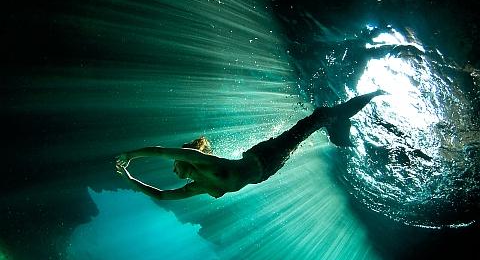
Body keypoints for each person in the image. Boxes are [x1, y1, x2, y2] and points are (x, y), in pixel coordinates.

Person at [115, 90, 384, 200]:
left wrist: (131, 154)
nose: (173, 170)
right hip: (266, 171)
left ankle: (365, 98)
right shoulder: (197, 186)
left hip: (264, 156)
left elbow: (159, 152)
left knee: (312, 123)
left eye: (175, 165)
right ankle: (331, 120)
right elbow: (161, 195)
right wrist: (128, 176)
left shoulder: (201, 161)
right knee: (308, 129)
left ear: (187, 157)